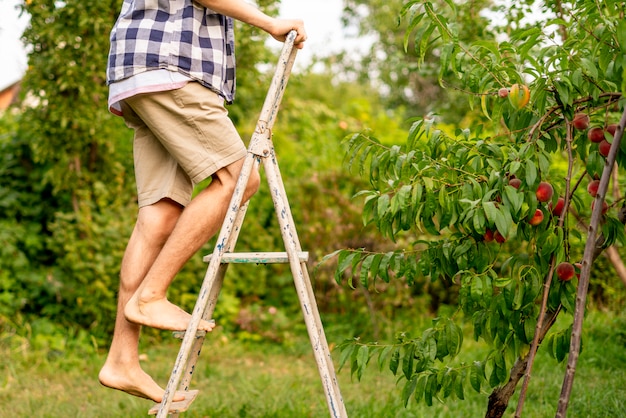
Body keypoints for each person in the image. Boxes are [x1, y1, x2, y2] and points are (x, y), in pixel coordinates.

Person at [98, 0, 306, 403]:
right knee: (237, 180)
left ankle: (122, 359)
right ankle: (151, 295)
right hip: (170, 67)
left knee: (159, 215)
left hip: (142, 70)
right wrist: (268, 22)